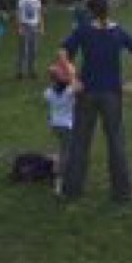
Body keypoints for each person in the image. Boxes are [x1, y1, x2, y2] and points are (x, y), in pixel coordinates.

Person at [58, 0, 132, 203]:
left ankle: (71, 190)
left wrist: (72, 78)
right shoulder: (118, 32)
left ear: (90, 11)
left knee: (80, 141)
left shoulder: (84, 30)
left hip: (87, 93)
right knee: (116, 142)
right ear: (108, 9)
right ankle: (123, 192)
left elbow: (62, 52)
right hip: (111, 95)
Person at [44, 62, 76, 191]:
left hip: (55, 125)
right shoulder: (69, 91)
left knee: (64, 149)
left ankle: (59, 172)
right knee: (65, 153)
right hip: (66, 126)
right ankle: (60, 180)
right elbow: (77, 85)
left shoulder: (48, 92)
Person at [16, 0, 44, 80]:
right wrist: (19, 27)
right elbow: (19, 13)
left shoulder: (37, 0)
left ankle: (32, 71)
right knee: (24, 50)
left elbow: (40, 13)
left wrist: (41, 26)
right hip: (25, 26)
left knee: (34, 50)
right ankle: (20, 72)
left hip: (34, 26)